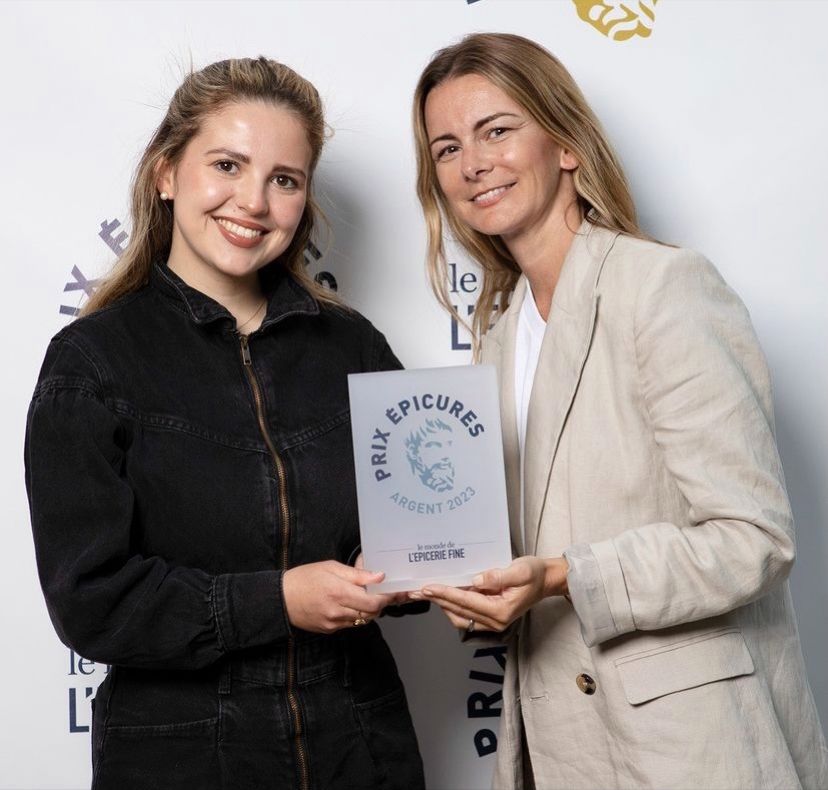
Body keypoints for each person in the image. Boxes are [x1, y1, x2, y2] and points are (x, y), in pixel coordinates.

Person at [409, 32, 828, 789]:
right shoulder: (497, 343)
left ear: (565, 144)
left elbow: (753, 539)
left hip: (685, 751)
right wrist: (463, 583)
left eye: (497, 130)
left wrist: (567, 576)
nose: (471, 164)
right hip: (556, 743)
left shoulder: (660, 288)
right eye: (446, 148)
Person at [25, 57, 425, 790]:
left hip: (360, 749)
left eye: (284, 179)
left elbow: (415, 523)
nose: (255, 201)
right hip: (183, 759)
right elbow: (92, 600)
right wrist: (279, 600)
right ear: (167, 173)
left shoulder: (354, 348)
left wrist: (416, 571)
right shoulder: (92, 363)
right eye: (227, 165)